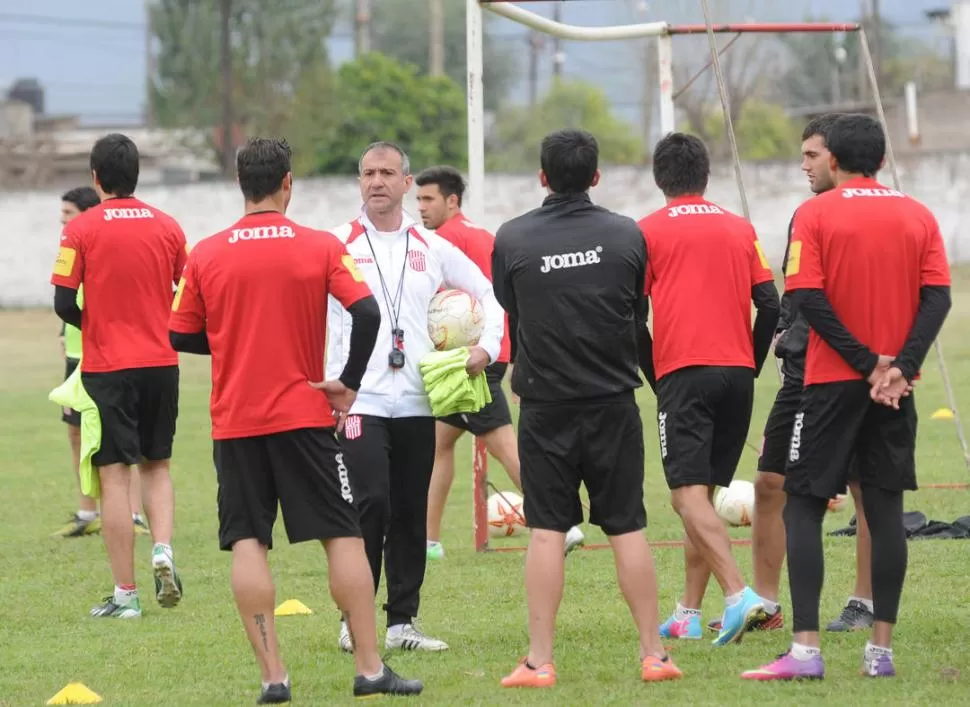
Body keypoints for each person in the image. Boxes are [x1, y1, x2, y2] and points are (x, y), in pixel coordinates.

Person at [169, 138, 422, 703]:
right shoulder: (319, 247)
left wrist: (233, 343)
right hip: (305, 416)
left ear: (242, 185)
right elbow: (368, 311)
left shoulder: (206, 253)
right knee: (343, 535)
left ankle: (273, 677)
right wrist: (351, 385)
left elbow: (180, 333)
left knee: (247, 542)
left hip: (236, 422)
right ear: (288, 183)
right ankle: (369, 668)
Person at [743, 113, 951, 681]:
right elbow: (938, 299)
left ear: (833, 159)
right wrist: (899, 367)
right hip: (894, 391)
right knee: (884, 514)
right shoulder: (918, 214)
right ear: (881, 160)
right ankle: (879, 653)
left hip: (832, 385)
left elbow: (806, 296)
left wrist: (864, 363)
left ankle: (805, 652)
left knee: (805, 505)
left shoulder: (814, 213)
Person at [492, 128, 682, 688]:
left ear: (542, 177)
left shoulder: (513, 237)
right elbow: (635, 308)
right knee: (627, 528)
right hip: (613, 405)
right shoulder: (627, 235)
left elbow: (513, 306)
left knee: (547, 531)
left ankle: (539, 662)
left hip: (546, 408)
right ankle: (654, 655)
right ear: (596, 176)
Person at [326, 141, 505, 653]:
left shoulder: (432, 246)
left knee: (409, 510)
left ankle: (403, 622)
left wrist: (487, 349)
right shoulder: (336, 243)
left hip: (417, 400)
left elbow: (491, 297)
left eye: (387, 173)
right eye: (367, 173)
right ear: (359, 182)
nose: (376, 181)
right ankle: (352, 618)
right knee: (371, 504)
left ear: (407, 183)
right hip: (358, 401)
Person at [712, 114, 876, 636]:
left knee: (862, 486)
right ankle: (763, 602)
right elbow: (794, 291)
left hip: (847, 376)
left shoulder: (866, 218)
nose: (803, 164)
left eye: (811, 155)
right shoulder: (804, 215)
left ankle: (864, 601)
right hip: (799, 375)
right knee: (768, 482)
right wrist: (785, 334)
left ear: (836, 158)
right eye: (801, 154)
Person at [637, 133, 780, 646]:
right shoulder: (741, 228)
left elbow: (630, 318)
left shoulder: (646, 232)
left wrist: (658, 377)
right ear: (707, 175)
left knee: (684, 496)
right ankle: (687, 614)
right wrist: (752, 364)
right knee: (704, 493)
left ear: (659, 178)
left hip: (685, 372)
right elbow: (771, 305)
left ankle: (739, 594)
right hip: (738, 373)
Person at [413, 165, 585, 560]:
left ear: (451, 200)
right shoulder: (482, 234)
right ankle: (429, 541)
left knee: (506, 448)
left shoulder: (439, 243)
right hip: (490, 352)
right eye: (418, 199)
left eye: (428, 199)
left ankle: (563, 524)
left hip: (470, 361)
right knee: (438, 445)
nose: (420, 208)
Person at [50, 133, 185, 619]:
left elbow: (64, 302)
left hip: (109, 368)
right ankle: (163, 548)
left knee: (114, 477)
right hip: (162, 364)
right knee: (158, 466)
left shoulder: (80, 230)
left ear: (94, 177)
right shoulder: (168, 226)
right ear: (137, 175)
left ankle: (125, 595)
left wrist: (99, 324)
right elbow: (185, 290)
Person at [52, 186, 151, 540]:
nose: (62, 220)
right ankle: (86, 512)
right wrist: (65, 334)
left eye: (68, 213)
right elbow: (67, 298)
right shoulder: (71, 247)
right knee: (76, 433)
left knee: (126, 439)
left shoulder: (100, 246)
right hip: (76, 357)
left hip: (106, 357)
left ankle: (135, 514)